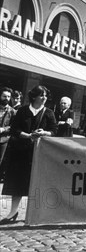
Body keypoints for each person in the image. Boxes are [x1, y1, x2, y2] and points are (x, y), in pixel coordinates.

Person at [0, 85, 56, 224]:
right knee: (17, 183)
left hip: (40, 154)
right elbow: (14, 129)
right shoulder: (23, 111)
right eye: (41, 95)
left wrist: (44, 133)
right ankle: (12, 212)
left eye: (45, 95)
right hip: (20, 152)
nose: (44, 98)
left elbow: (54, 131)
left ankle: (35, 213)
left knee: (37, 182)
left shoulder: (49, 113)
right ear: (34, 96)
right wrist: (28, 136)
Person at [0, 87, 16, 182]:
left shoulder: (12, 111)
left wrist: (3, 129)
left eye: (8, 96)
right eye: (4, 96)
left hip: (3, 139)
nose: (6, 98)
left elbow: (13, 126)